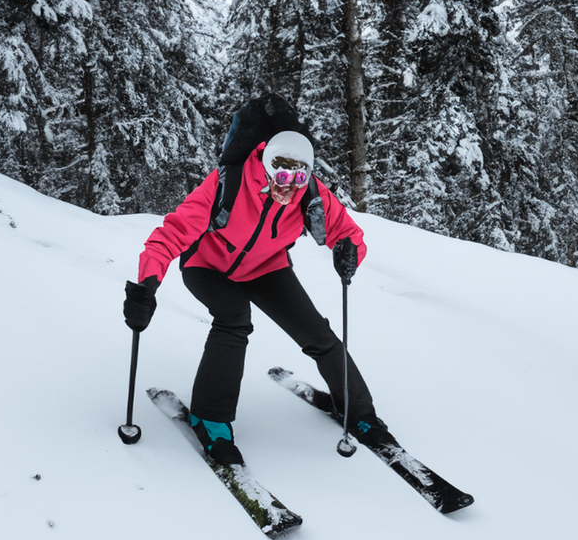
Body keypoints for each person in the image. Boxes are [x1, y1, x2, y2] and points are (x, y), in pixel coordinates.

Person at [122, 124, 393, 467]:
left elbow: (348, 233)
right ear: (265, 163)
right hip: (207, 264)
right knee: (234, 320)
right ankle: (211, 419)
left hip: (266, 267)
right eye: (280, 172)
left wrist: (350, 251)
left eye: (297, 177)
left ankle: (358, 412)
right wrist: (146, 285)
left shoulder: (310, 194)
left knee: (317, 334)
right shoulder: (227, 183)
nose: (287, 185)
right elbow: (170, 235)